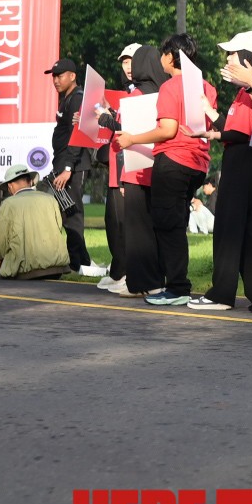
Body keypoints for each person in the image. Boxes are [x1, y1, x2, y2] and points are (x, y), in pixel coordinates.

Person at [113, 34, 217, 306]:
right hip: (197, 164)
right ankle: (177, 285)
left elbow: (167, 130)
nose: (161, 59)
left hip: (173, 162)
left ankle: (177, 288)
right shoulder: (207, 86)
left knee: (167, 226)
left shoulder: (171, 87)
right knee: (177, 224)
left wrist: (132, 139)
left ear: (171, 57)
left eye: (163, 54)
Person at [191, 32, 252, 312]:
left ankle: (221, 294)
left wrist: (250, 84)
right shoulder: (243, 92)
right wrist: (212, 120)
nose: (227, 59)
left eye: (233, 54)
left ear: (249, 59)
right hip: (241, 161)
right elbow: (237, 130)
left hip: (245, 164)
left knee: (228, 228)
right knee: (245, 231)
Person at [97, 40, 162, 298]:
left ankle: (135, 278)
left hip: (134, 167)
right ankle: (138, 277)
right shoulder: (159, 91)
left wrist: (107, 118)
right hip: (150, 165)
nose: (128, 67)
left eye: (132, 61)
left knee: (133, 228)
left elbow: (129, 131)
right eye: (124, 62)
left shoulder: (137, 95)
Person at [46, 59, 102, 276]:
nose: (55, 80)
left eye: (60, 75)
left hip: (72, 167)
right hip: (63, 164)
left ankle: (80, 264)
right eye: (54, 76)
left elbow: (77, 137)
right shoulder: (67, 99)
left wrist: (67, 168)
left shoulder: (77, 98)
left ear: (72, 76)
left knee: (73, 214)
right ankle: (79, 261)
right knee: (68, 214)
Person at [0, 163, 71, 279]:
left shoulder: (9, 204)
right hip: (58, 267)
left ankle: (2, 271)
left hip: (27, 272)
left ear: (10, 186)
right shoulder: (50, 199)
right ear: (31, 182)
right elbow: (57, 229)